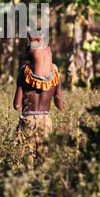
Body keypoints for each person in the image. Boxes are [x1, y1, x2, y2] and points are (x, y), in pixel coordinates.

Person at [13, 30, 65, 169]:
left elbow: (17, 106)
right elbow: (60, 105)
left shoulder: (24, 76)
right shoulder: (55, 77)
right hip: (46, 121)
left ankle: (27, 188)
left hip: (28, 120)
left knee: (26, 161)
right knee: (43, 161)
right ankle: (40, 189)